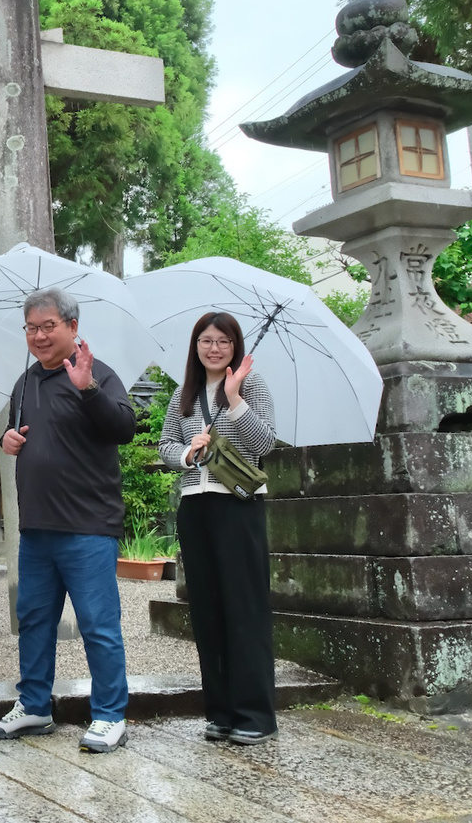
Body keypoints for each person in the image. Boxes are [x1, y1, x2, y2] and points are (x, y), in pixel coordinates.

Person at [0, 287, 137, 754]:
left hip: (88, 526)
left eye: (48, 326)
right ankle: (34, 706)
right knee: (33, 620)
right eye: (31, 328)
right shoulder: (25, 382)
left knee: (98, 624)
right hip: (37, 528)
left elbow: (124, 429)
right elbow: (19, 440)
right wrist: (7, 443)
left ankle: (110, 714)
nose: (39, 335)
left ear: (73, 327)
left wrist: (88, 389)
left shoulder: (98, 374)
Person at [158, 311, 278, 745]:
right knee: (207, 610)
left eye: (223, 341)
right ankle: (221, 711)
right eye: (206, 340)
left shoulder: (251, 384)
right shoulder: (183, 393)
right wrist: (189, 454)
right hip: (195, 505)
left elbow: (266, 443)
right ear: (195, 346)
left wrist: (235, 400)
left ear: (235, 345)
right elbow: (165, 444)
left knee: (244, 608)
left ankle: (256, 715)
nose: (214, 348)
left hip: (238, 507)